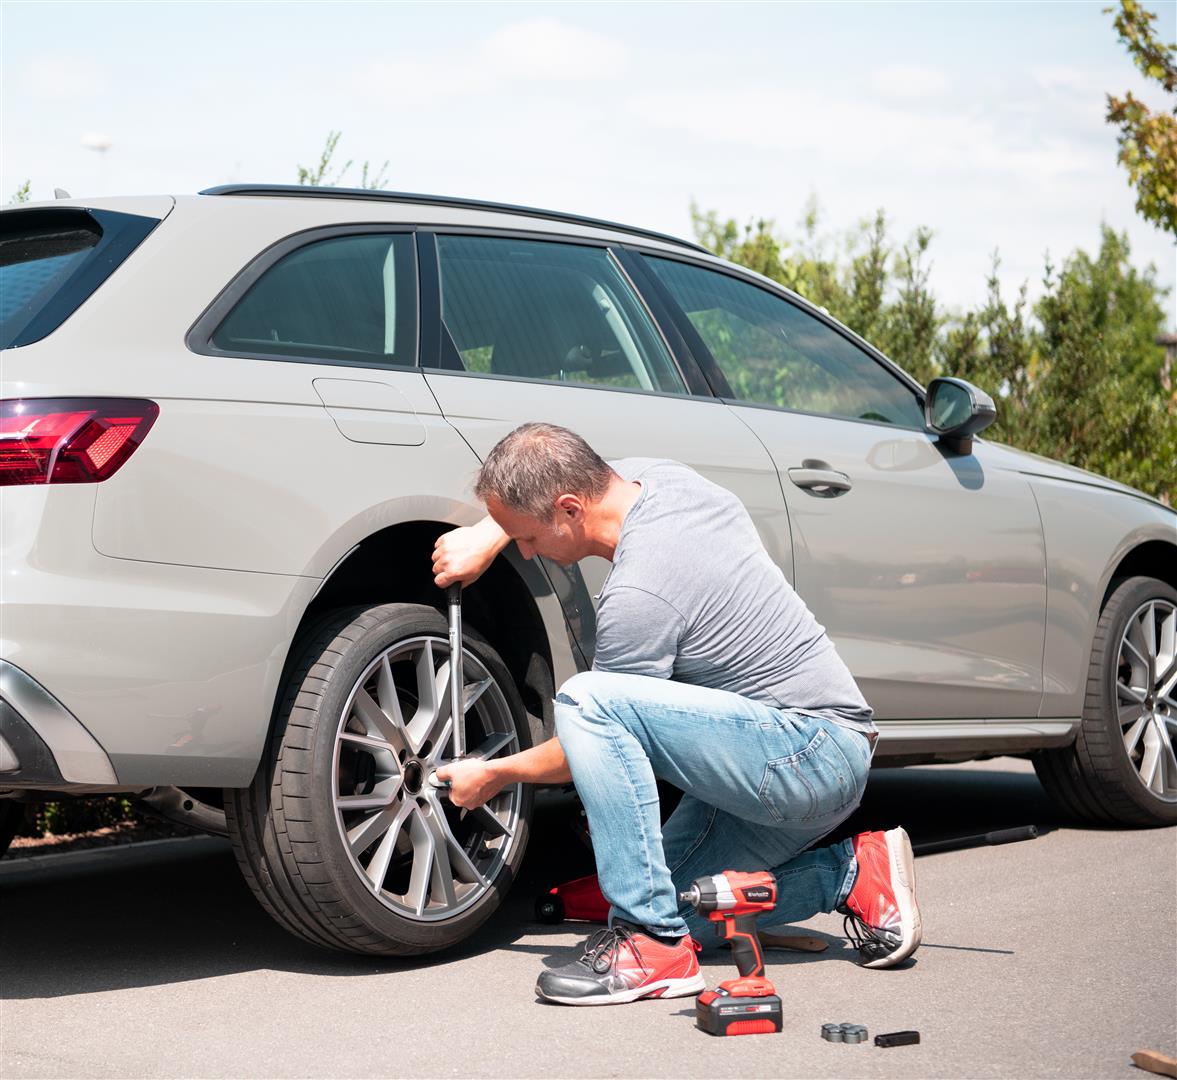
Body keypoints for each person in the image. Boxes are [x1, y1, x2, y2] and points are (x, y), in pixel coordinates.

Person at [433, 422, 921, 1006]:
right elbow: (568, 469)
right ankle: (849, 874)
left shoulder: (641, 596)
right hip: (778, 759)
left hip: (806, 755)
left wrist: (496, 774)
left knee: (589, 701)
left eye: (528, 536)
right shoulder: (664, 480)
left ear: (568, 510)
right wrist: (492, 533)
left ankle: (652, 945)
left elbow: (594, 741)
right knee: (681, 906)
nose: (529, 551)